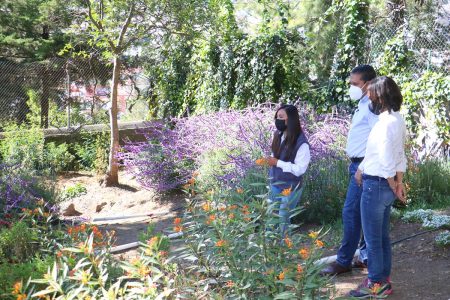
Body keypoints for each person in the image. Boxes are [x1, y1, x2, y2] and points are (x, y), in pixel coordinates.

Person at [348, 76, 407, 298]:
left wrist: (393, 184)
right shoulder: (396, 119)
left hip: (376, 185)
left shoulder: (384, 123)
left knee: (373, 240)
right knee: (381, 238)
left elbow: (385, 161)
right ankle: (383, 279)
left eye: (371, 94)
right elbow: (398, 154)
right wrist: (398, 183)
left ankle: (375, 284)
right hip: (381, 185)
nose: (368, 97)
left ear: (380, 96)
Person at [321, 65, 378, 276]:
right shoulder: (363, 104)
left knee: (351, 212)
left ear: (367, 84)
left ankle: (344, 260)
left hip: (363, 165)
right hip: (356, 164)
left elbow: (376, 139)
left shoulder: (373, 106)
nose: (351, 87)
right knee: (360, 213)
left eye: (355, 84)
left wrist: (362, 167)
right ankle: (364, 256)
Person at [266, 104, 310, 236]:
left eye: (281, 117)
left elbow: (300, 170)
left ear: (290, 120)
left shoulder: (302, 143)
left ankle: (283, 249)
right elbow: (275, 155)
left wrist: (277, 163)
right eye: (276, 117)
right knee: (271, 216)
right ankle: (269, 247)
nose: (277, 120)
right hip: (275, 182)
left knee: (283, 217)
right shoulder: (278, 135)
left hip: (291, 187)